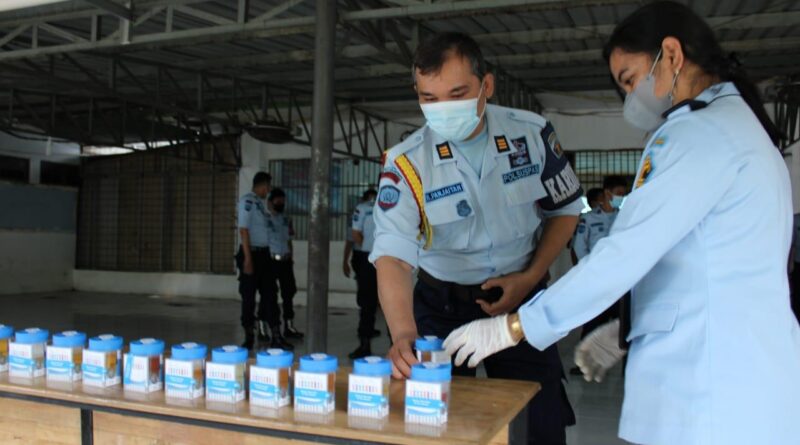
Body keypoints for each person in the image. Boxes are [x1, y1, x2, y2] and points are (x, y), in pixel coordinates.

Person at [442, 2, 800, 444]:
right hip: (739, 380)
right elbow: (705, 265)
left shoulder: (697, 134)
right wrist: (633, 328)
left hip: (709, 393)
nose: (631, 98)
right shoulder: (736, 127)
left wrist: (516, 326)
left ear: (671, 55)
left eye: (630, 80)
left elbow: (626, 252)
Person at [370, 32, 582, 444]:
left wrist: (530, 276)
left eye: (457, 94)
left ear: (486, 85)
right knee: (433, 426)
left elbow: (565, 210)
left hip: (521, 301)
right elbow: (393, 256)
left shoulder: (531, 135)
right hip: (441, 306)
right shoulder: (407, 163)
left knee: (540, 421)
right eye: (429, 98)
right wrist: (403, 333)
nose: (444, 108)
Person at [568, 176, 628, 375]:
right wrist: (589, 272)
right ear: (607, 193)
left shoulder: (626, 217)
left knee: (624, 322)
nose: (621, 197)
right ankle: (584, 361)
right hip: (597, 279)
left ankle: (628, 366)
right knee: (593, 319)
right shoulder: (589, 218)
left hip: (621, 279)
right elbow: (579, 246)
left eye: (624, 194)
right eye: (618, 193)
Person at [235, 171, 279, 350]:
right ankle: (249, 337)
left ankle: (276, 335)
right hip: (251, 254)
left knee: (270, 294)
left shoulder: (261, 204)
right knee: (249, 297)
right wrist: (247, 259)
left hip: (264, 255)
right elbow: (243, 230)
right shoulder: (247, 201)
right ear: (262, 185)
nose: (268, 190)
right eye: (268, 187)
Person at [265, 187, 303, 345]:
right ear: (270, 202)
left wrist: (291, 258)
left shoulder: (286, 219)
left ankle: (289, 326)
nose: (281, 203)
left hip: (285, 260)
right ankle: (264, 327)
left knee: (289, 292)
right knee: (270, 295)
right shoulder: (265, 219)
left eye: (282, 200)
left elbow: (289, 240)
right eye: (277, 200)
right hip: (270, 261)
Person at [349, 188, 379, 359]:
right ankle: (396, 345)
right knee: (392, 302)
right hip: (388, 259)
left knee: (367, 304)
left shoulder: (362, 208)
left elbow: (355, 234)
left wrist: (369, 248)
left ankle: (365, 344)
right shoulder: (396, 205)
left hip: (369, 258)